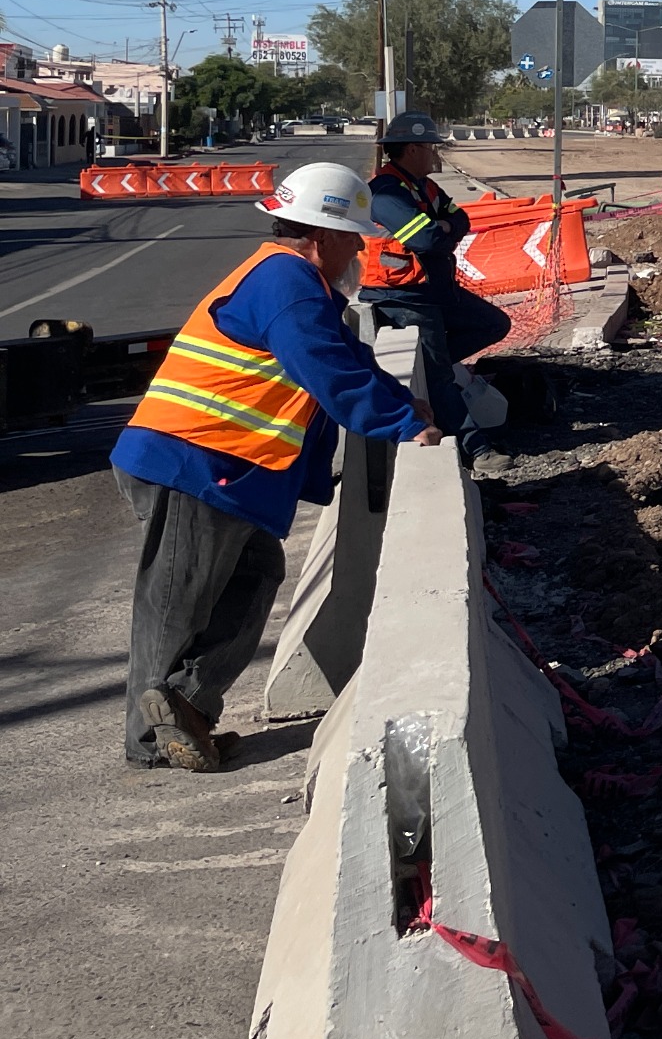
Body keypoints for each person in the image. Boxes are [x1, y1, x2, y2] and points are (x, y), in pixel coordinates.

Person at [113, 163, 440, 770]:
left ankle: (184, 706)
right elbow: (327, 370)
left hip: (225, 465)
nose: (360, 248)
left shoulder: (295, 282)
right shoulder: (287, 284)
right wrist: (407, 426)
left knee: (255, 576)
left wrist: (402, 403)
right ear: (322, 235)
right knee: (177, 603)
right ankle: (153, 742)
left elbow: (345, 355)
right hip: (194, 460)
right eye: (354, 236)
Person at [361, 111, 511, 465]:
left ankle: (435, 368)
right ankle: (477, 450)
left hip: (434, 290)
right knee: (439, 374)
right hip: (401, 296)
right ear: (412, 149)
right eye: (431, 147)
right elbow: (426, 240)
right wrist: (442, 228)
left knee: (493, 324)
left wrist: (444, 226)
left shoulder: (424, 187)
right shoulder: (385, 192)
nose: (435, 154)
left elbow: (461, 219)